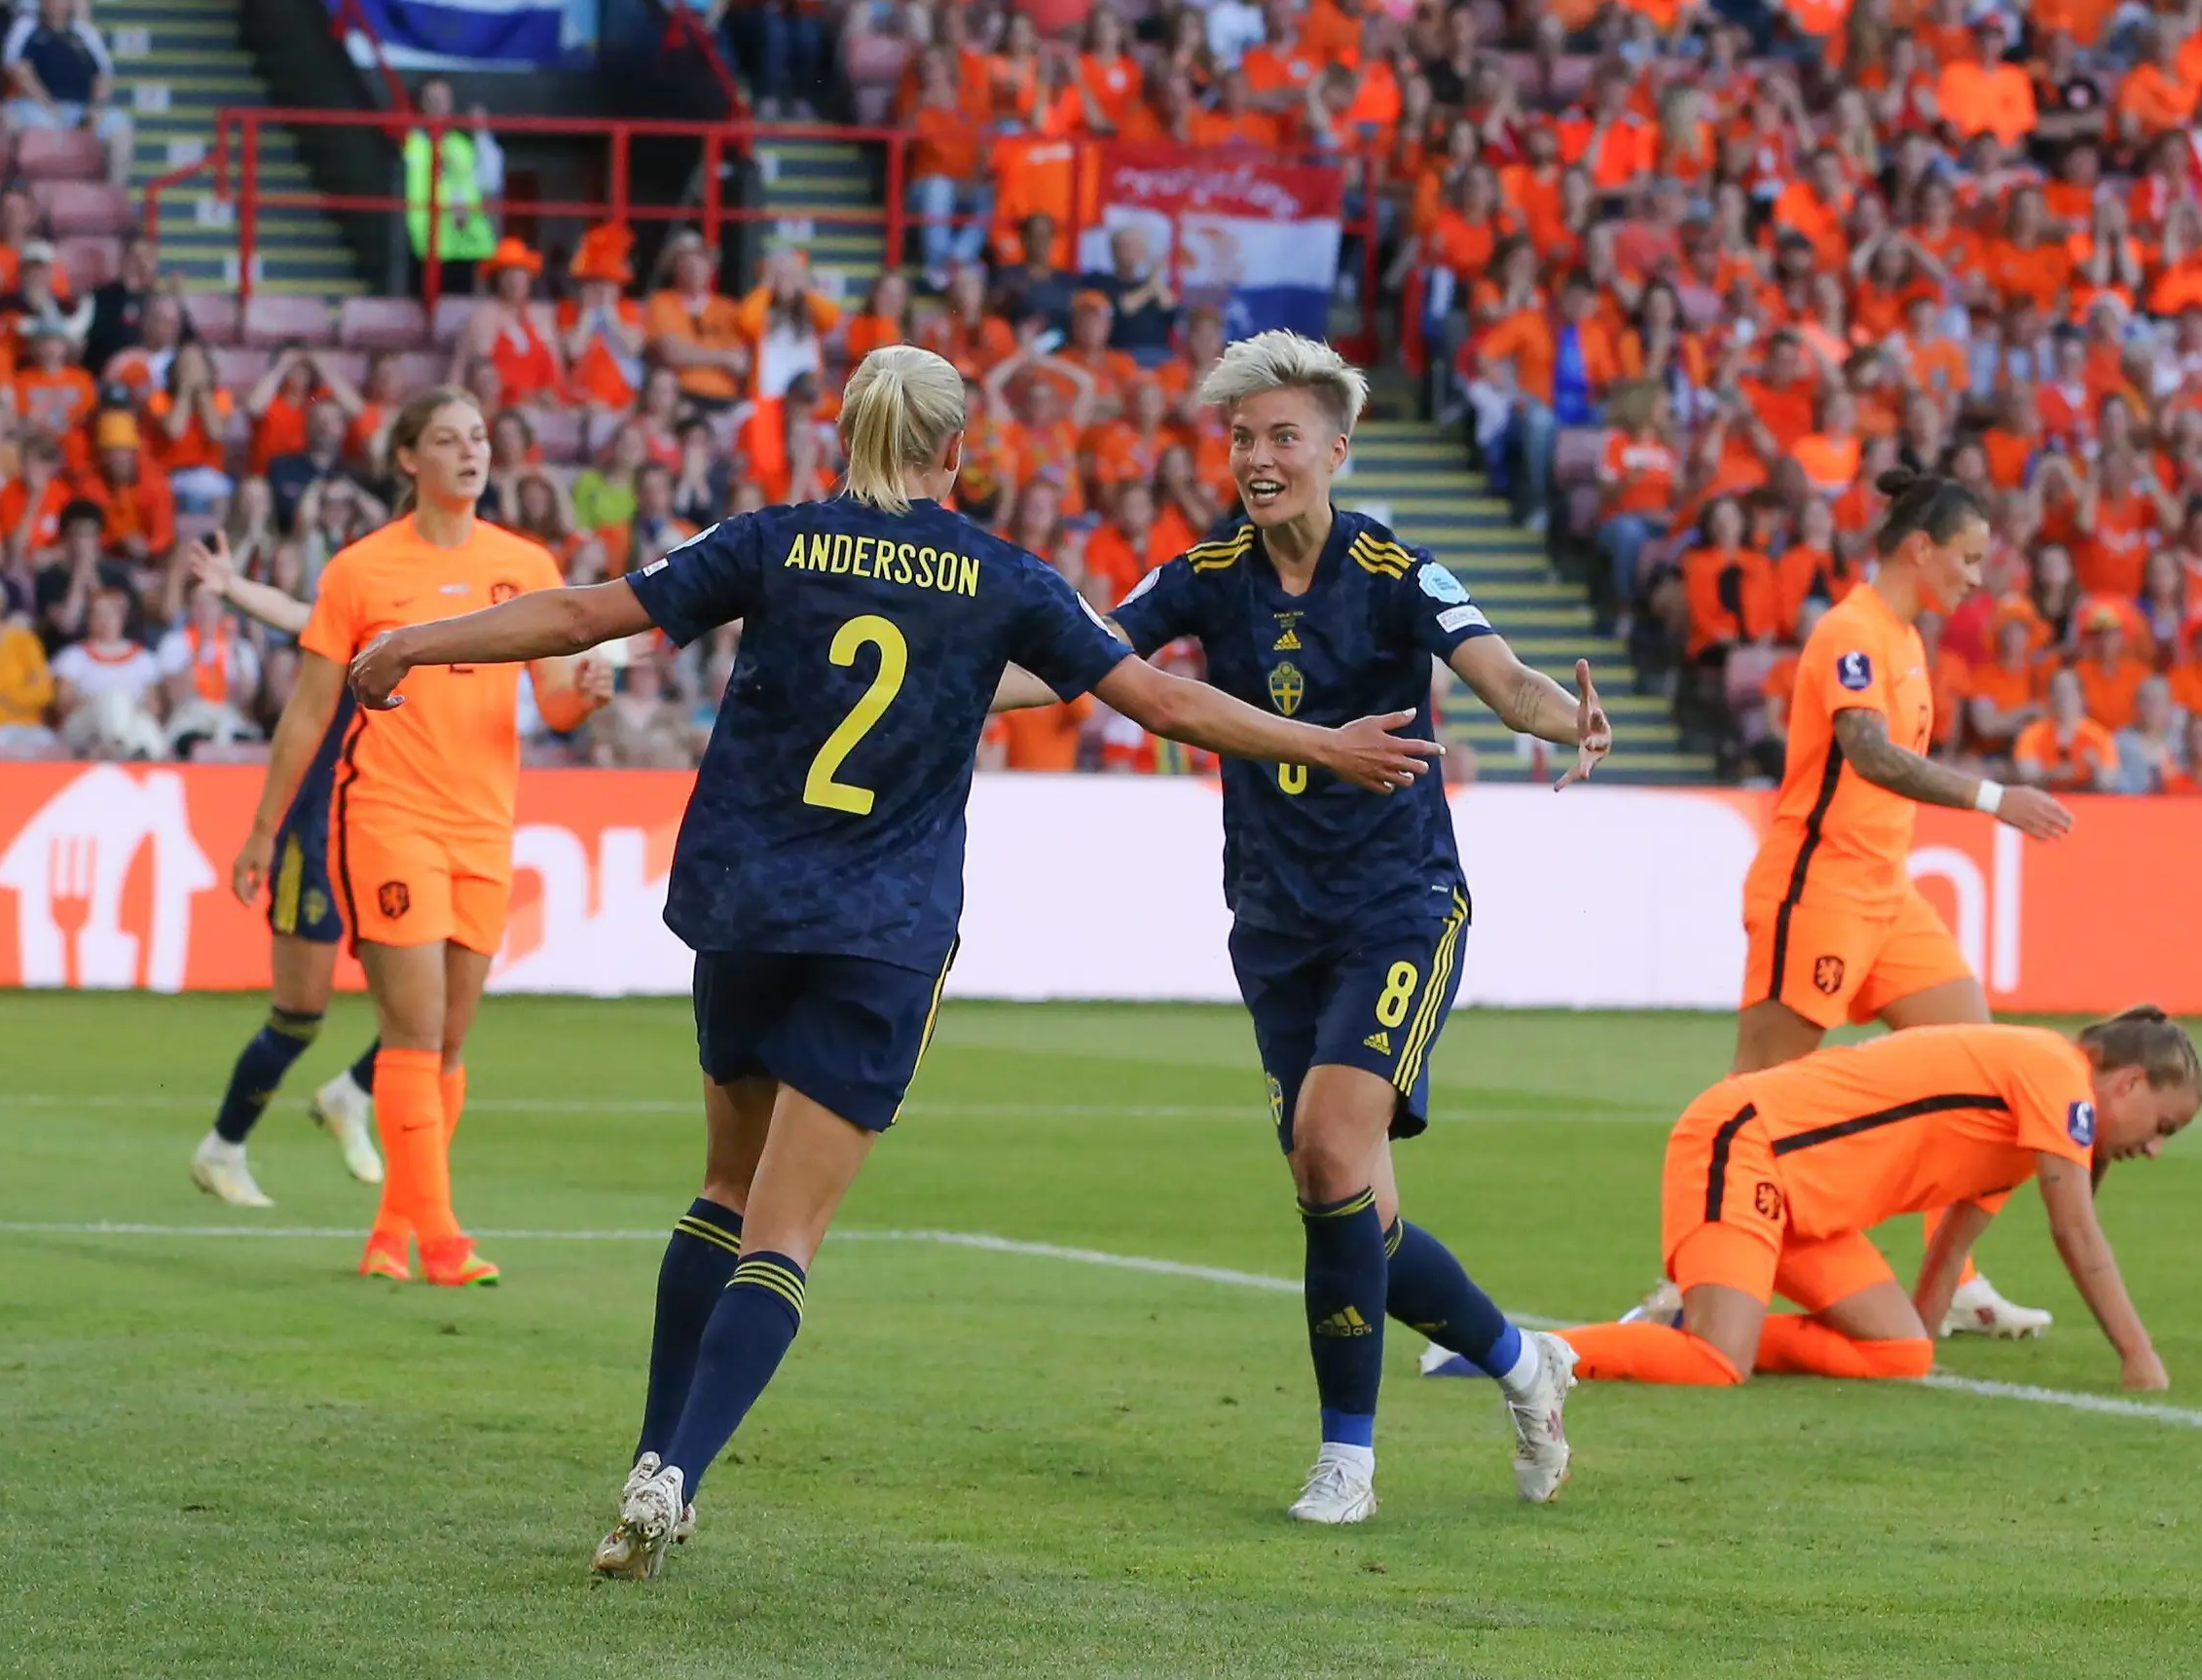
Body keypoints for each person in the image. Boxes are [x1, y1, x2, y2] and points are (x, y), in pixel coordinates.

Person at [338, 346, 1439, 1576]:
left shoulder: (773, 539)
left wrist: (416, 641)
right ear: (956, 451)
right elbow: (1163, 702)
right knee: (783, 1236)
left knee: (722, 1188)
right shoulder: (1004, 575)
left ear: (846, 435)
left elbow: (583, 613)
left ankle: (651, 1454)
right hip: (882, 931)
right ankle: (676, 1472)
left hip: (748, 907)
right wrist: (1321, 744)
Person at [1100, 330, 1610, 1526]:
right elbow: (1084, 655)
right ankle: (1525, 1363)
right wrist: (961, 670)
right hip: (1274, 920)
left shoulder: (1397, 569)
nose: (1257, 459)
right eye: (1242, 438)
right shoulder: (1205, 572)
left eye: (1283, 436)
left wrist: (1567, 720)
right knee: (1353, 1210)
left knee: (1331, 1150)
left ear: (1336, 449)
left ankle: (1348, 1461)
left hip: (1399, 905)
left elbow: (1506, 681)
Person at [220, 387, 615, 1284]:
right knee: (414, 1027)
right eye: (447, 439)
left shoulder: (526, 563)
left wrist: (584, 698)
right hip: (389, 816)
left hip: (485, 825)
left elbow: (553, 703)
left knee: (448, 1042)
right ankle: (441, 1240)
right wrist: (263, 829)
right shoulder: (362, 570)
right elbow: (308, 713)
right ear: (408, 458)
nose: (470, 452)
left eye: (478, 437)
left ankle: (387, 1235)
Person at [1723, 468, 2076, 1341]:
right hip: (1820, 890)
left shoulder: (1907, 639)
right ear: (1921, 548)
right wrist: (1995, 799)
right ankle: (1692, 1274)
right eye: (1969, 558)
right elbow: (1869, 752)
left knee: (1983, 1077)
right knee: (1754, 1096)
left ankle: (1951, 1282)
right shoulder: (1851, 631)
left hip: (1889, 894)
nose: (1977, 578)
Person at [1555, 1012, 2197, 1391]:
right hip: (1748, 1144)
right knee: (1718, 1362)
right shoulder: (2057, 1076)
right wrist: (2138, 1355)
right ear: (2129, 1083)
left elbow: (1951, 1245)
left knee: (1900, 1353)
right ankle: (1520, 1353)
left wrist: (1925, 1352)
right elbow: (2075, 1231)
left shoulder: (2031, 1126)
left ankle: (1675, 1327)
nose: (2154, 1148)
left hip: (1801, 1204)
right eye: (2162, 1126)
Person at [181, 529, 383, 1206]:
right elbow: (300, 615)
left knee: (440, 1001)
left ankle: (352, 1092)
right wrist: (233, 588)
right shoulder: (366, 614)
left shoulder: (456, 621)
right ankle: (223, 1148)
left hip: (394, 829)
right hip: (319, 831)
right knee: (299, 1016)